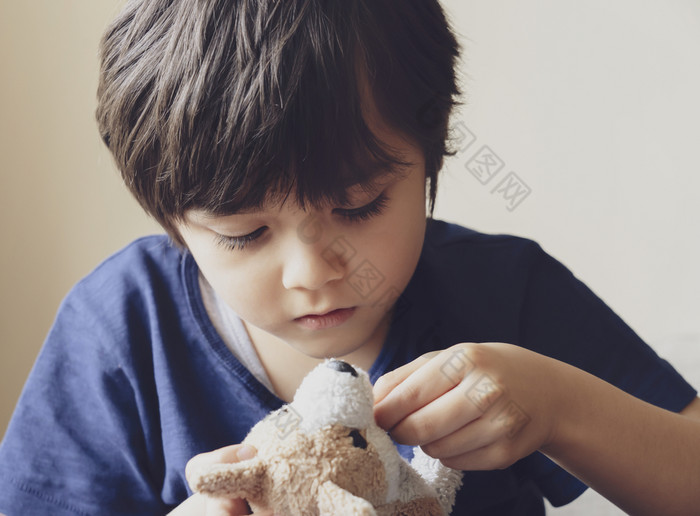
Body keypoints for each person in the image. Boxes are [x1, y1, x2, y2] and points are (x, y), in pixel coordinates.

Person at [1, 0, 698, 514]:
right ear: (174, 225)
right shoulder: (119, 330)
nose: (313, 273)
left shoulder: (504, 293)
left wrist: (557, 407)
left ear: (429, 157)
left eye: (359, 206)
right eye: (244, 234)